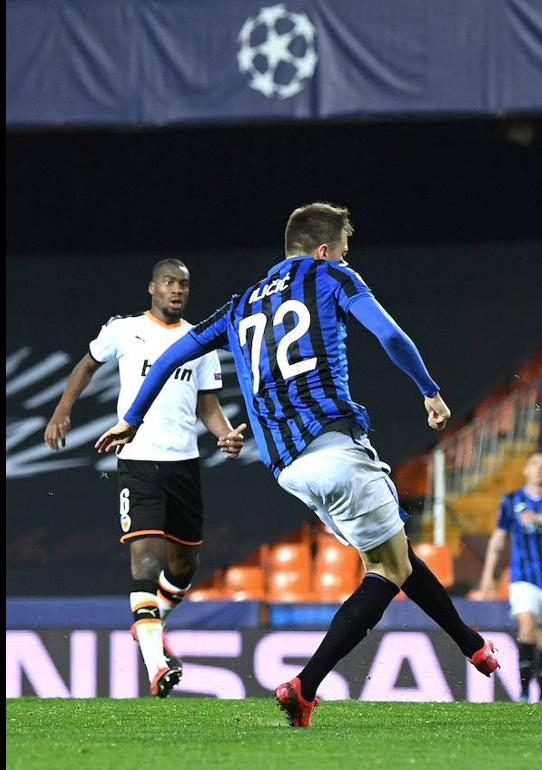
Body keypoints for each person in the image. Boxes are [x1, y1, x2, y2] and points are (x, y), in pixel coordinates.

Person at [96, 202, 499, 727]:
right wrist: (430, 391)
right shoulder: (332, 275)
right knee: (387, 568)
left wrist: (131, 417)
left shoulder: (241, 303)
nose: (346, 259)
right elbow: (392, 336)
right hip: (333, 446)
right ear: (326, 250)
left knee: (392, 555)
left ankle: (471, 646)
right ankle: (305, 686)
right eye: (345, 251)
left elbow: (174, 355)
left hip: (288, 469)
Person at [44, 258, 244, 698]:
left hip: (185, 464)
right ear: (152, 287)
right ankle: (156, 663)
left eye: (184, 285)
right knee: (146, 564)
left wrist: (226, 435)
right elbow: (87, 364)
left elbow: (207, 406)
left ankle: (149, 628)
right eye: (169, 282)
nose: (177, 290)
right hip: (139, 462)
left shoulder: (200, 340)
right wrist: (62, 411)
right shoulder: (124, 330)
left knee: (184, 568)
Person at [478, 449, 542, 703]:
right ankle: (523, 693)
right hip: (522, 576)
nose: (539, 469)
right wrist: (488, 574)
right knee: (527, 625)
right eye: (534, 464)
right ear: (526, 470)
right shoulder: (510, 500)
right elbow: (498, 539)